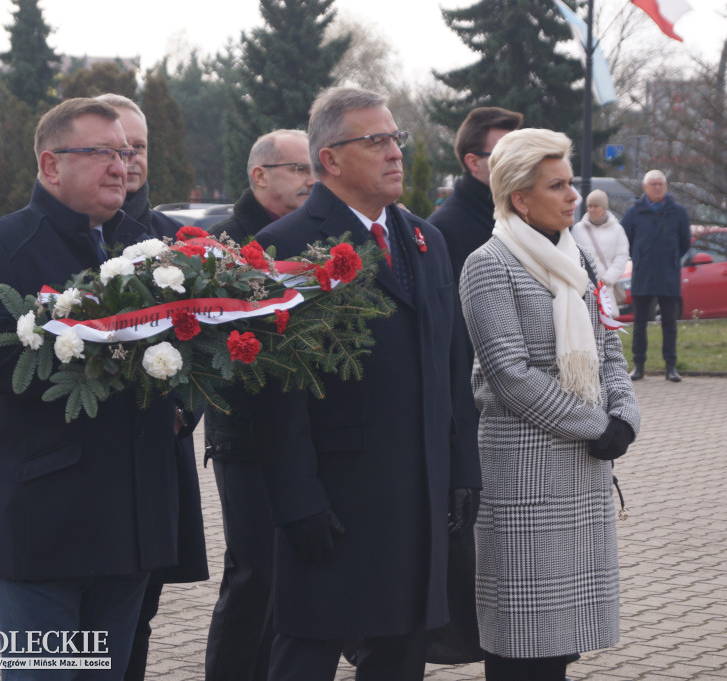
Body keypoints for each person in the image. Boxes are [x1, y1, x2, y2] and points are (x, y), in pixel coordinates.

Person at [0, 98, 186, 676]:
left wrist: (182, 403)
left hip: (131, 517)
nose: (121, 165)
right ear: (51, 166)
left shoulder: (151, 248)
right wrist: (93, 349)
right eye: (101, 152)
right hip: (49, 518)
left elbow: (191, 346)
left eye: (126, 152)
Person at [251, 86, 482, 681]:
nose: (394, 152)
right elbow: (277, 396)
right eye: (374, 140)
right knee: (308, 648)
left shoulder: (427, 242)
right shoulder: (284, 248)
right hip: (337, 496)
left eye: (395, 138)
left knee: (401, 651)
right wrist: (296, 500)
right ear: (329, 158)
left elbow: (453, 363)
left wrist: (462, 470)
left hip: (420, 494)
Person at [459, 128, 640, 681]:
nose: (572, 197)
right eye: (557, 186)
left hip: (581, 474)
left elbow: (608, 346)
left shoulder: (574, 256)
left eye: (571, 183)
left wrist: (625, 417)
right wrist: (596, 424)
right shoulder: (488, 265)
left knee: (559, 645)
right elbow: (510, 375)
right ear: (519, 197)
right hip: (524, 478)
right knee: (521, 643)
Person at [93, 92, 210, 681]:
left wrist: (183, 410)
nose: (129, 160)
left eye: (138, 147)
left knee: (141, 613)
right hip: (87, 457)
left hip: (158, 454)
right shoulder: (73, 234)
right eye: (116, 149)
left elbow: (208, 349)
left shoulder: (180, 240)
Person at [202, 128, 315, 681]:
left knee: (294, 577)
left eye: (313, 168)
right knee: (255, 576)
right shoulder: (224, 244)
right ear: (260, 175)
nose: (310, 179)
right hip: (245, 439)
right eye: (298, 168)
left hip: (307, 435)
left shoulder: (307, 235)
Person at [423, 105, 523, 666]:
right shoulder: (447, 229)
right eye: (506, 153)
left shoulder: (525, 219)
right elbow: (451, 340)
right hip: (474, 410)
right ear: (474, 162)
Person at [428, 106, 524, 281]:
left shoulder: (525, 214)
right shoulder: (443, 230)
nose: (517, 162)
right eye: (504, 154)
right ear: (473, 163)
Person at [621, 169, 691, 382]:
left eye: (660, 184)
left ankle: (671, 367)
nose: (657, 187)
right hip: (643, 275)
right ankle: (638, 365)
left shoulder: (678, 212)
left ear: (666, 186)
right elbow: (626, 242)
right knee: (640, 323)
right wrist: (641, 257)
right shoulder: (634, 213)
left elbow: (684, 243)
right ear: (645, 188)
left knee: (669, 323)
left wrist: (669, 257)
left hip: (669, 275)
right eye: (653, 184)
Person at [571, 189, 630, 314]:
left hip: (606, 288)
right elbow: (573, 254)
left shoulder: (617, 230)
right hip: (584, 286)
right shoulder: (578, 229)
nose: (592, 209)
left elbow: (622, 256)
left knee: (606, 325)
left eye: (596, 206)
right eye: (589, 206)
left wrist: (608, 279)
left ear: (604, 207)